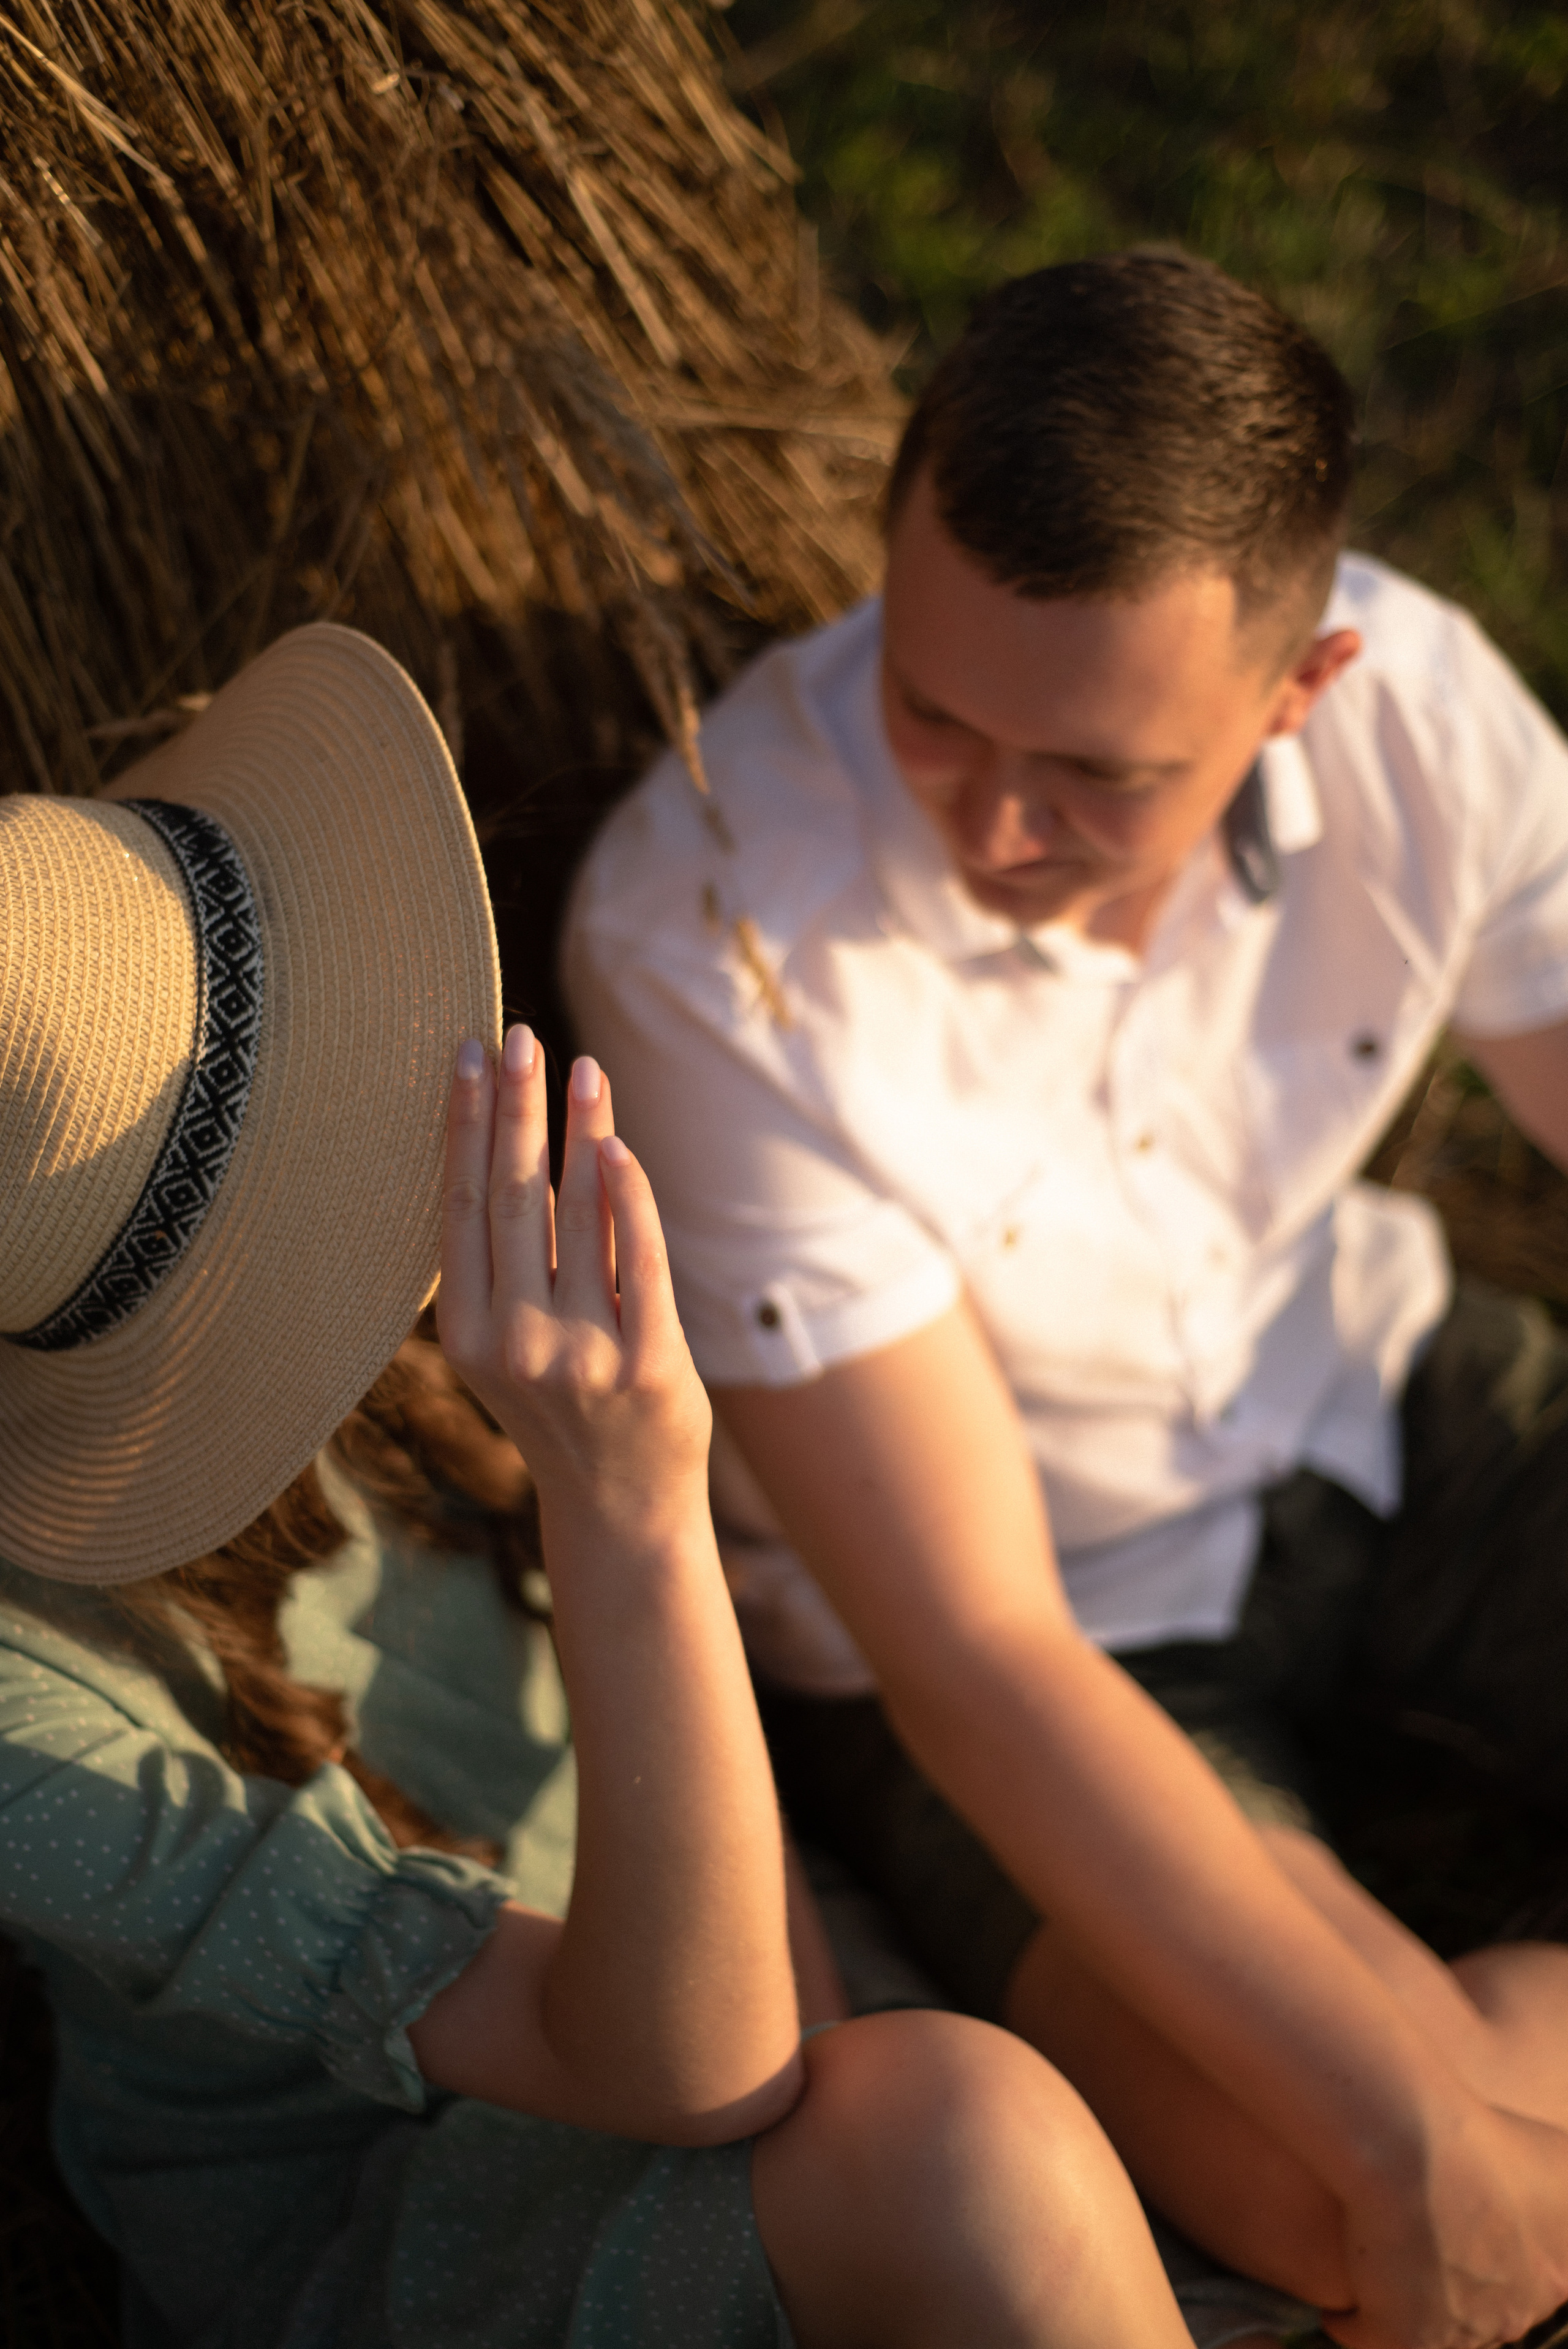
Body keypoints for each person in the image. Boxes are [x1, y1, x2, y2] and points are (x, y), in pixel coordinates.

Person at [564, 249, 1568, 2349]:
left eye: (1101, 774)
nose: (994, 819)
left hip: (1371, 1383)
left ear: (1303, 691)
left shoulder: (1430, 720)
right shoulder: (715, 931)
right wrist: (1410, 2140)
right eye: (933, 708)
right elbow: (979, 1648)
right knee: (1351, 2172)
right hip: (1041, 1654)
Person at [0, 624, 1195, 2349]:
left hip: (763, 2012)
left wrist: (843, 2041)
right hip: (411, 2221)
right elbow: (689, 2070)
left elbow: (762, 1970)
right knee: (969, 2149)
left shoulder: (394, 1335)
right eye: (319, 1120)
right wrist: (631, 1501)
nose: (410, 1103)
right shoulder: (34, 1698)